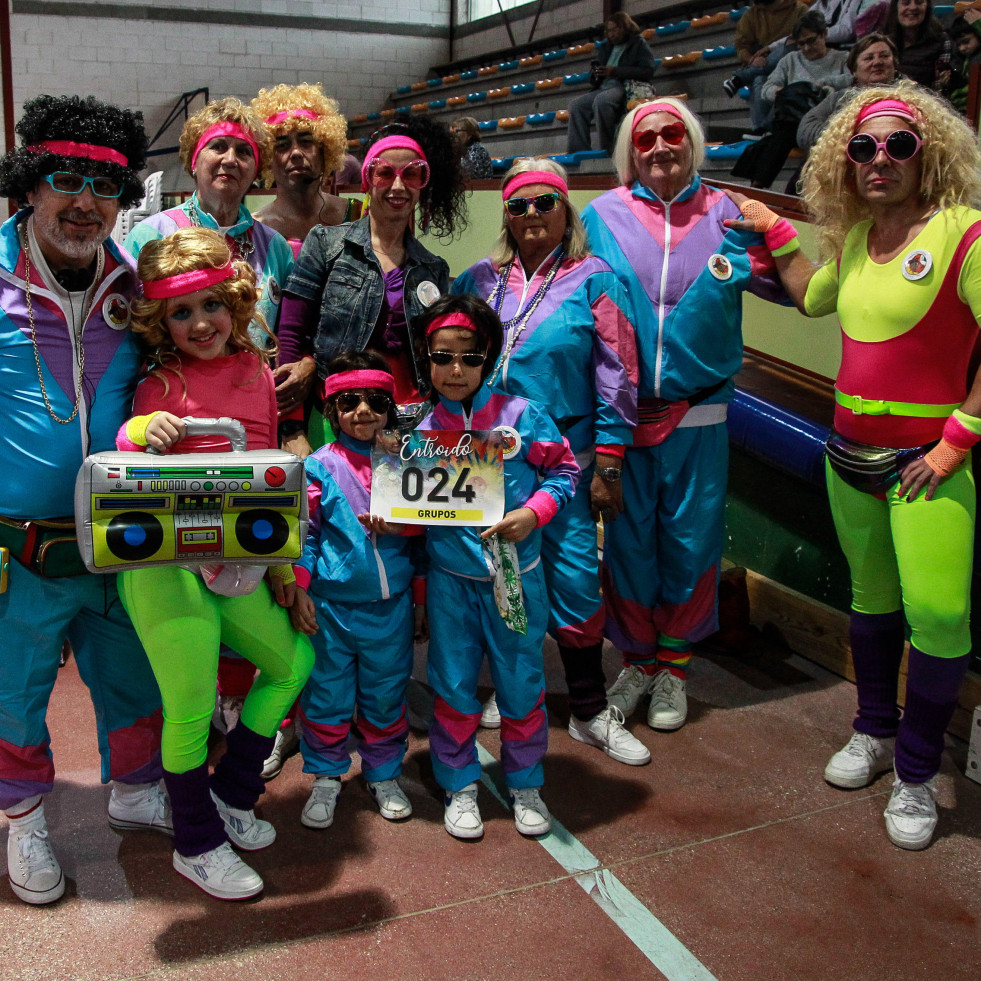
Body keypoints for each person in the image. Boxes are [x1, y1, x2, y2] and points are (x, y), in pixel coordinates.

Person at [740, 81, 981, 850]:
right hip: (848, 456)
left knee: (938, 617)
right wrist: (774, 229)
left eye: (898, 145)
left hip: (927, 465)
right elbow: (812, 298)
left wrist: (955, 441)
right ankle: (873, 731)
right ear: (846, 163)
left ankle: (915, 774)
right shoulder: (848, 240)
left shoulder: (964, 233)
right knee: (870, 605)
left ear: (927, 155)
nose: (880, 160)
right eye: (863, 147)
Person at [0, 94, 170, 906]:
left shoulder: (137, 287)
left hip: (124, 538)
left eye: (105, 185)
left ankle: (136, 787)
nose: (85, 202)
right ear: (30, 185)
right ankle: (25, 813)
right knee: (14, 686)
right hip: (18, 546)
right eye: (64, 179)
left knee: (133, 675)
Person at [116, 227, 315, 898]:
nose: (199, 322)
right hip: (165, 567)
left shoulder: (256, 372)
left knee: (293, 662)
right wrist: (140, 431)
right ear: (160, 320)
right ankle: (195, 843)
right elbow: (126, 454)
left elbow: (267, 477)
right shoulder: (156, 382)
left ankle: (230, 795)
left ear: (232, 299)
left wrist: (286, 571)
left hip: (240, 559)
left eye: (210, 304)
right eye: (180, 311)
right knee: (192, 701)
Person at [580, 99, 786, 735]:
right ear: (630, 151)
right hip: (621, 415)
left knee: (691, 547)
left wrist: (777, 232)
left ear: (693, 142)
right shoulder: (600, 214)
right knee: (628, 546)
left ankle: (675, 667)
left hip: (700, 413)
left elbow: (788, 286)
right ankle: (637, 661)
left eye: (674, 134)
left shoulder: (728, 212)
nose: (661, 147)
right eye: (647, 139)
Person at [451, 159, 649, 767]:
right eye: (519, 205)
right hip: (487, 460)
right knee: (496, 577)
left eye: (546, 203)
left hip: (566, 456)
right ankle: (515, 693)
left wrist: (609, 462)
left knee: (572, 581)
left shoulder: (595, 279)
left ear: (566, 210)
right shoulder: (478, 279)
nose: (533, 216)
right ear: (505, 215)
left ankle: (588, 709)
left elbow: (618, 374)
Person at [416, 294, 580, 840]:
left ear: (488, 358)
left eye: (469, 357)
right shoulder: (416, 433)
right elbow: (406, 508)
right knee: (454, 687)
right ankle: (459, 783)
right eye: (443, 356)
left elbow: (566, 473)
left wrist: (534, 513)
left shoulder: (522, 417)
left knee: (521, 684)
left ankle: (526, 782)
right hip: (450, 586)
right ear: (428, 359)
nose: (455, 370)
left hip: (516, 578)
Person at [288, 352, 427, 830]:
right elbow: (305, 535)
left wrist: (421, 595)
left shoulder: (411, 460)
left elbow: (430, 533)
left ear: (391, 406)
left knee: (386, 695)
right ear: (332, 412)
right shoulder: (317, 467)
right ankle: (327, 774)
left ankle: (384, 772)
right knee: (326, 694)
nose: (363, 411)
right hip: (331, 610)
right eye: (349, 402)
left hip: (391, 610)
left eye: (374, 401)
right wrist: (301, 589)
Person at [277, 117, 467, 452]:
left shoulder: (434, 268)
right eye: (385, 173)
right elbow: (291, 334)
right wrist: (291, 427)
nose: (398, 186)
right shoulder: (325, 244)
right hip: (336, 417)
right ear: (367, 180)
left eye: (411, 174)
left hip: (413, 426)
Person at [124, 97, 293, 354]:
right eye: (218, 146)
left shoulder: (275, 247)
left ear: (257, 170)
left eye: (244, 151)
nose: (230, 159)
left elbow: (288, 335)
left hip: (254, 389)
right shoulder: (150, 236)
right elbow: (127, 333)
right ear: (194, 160)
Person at [735, 11, 852, 188]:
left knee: (778, 138)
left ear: (824, 34)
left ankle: (763, 185)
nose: (805, 48)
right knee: (782, 133)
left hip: (825, 119)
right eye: (801, 44)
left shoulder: (843, 58)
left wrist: (818, 87)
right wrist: (791, 91)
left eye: (810, 41)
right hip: (793, 118)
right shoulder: (790, 59)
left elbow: (853, 81)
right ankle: (762, 187)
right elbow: (767, 90)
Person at [250, 83, 359, 256]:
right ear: (268, 158)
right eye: (282, 145)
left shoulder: (357, 215)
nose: (295, 153)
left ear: (324, 150)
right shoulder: (254, 229)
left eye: (306, 141)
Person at [567, 12, 658, 155]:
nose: (612, 34)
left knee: (602, 101)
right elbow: (594, 78)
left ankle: (608, 149)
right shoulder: (606, 47)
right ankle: (578, 151)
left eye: (615, 29)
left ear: (624, 27)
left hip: (625, 85)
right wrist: (596, 74)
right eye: (609, 31)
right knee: (576, 105)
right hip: (604, 86)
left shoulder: (638, 43)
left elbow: (647, 71)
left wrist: (615, 71)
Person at [797, 33, 901, 152]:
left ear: (895, 63)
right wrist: (850, 135)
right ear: (854, 70)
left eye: (884, 56)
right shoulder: (839, 98)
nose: (877, 62)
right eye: (868, 58)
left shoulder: (912, 96)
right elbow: (804, 132)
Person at [723, 0, 810, 133]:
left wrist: (769, 49)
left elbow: (803, 38)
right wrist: (752, 59)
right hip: (764, 65)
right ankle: (760, 131)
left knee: (786, 47)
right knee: (759, 80)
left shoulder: (800, 10)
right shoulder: (751, 15)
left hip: (793, 64)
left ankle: (741, 77)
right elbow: (741, 46)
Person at [947, 12, 981, 113]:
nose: (962, 48)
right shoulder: (964, 60)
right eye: (959, 44)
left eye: (966, 41)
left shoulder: (977, 60)